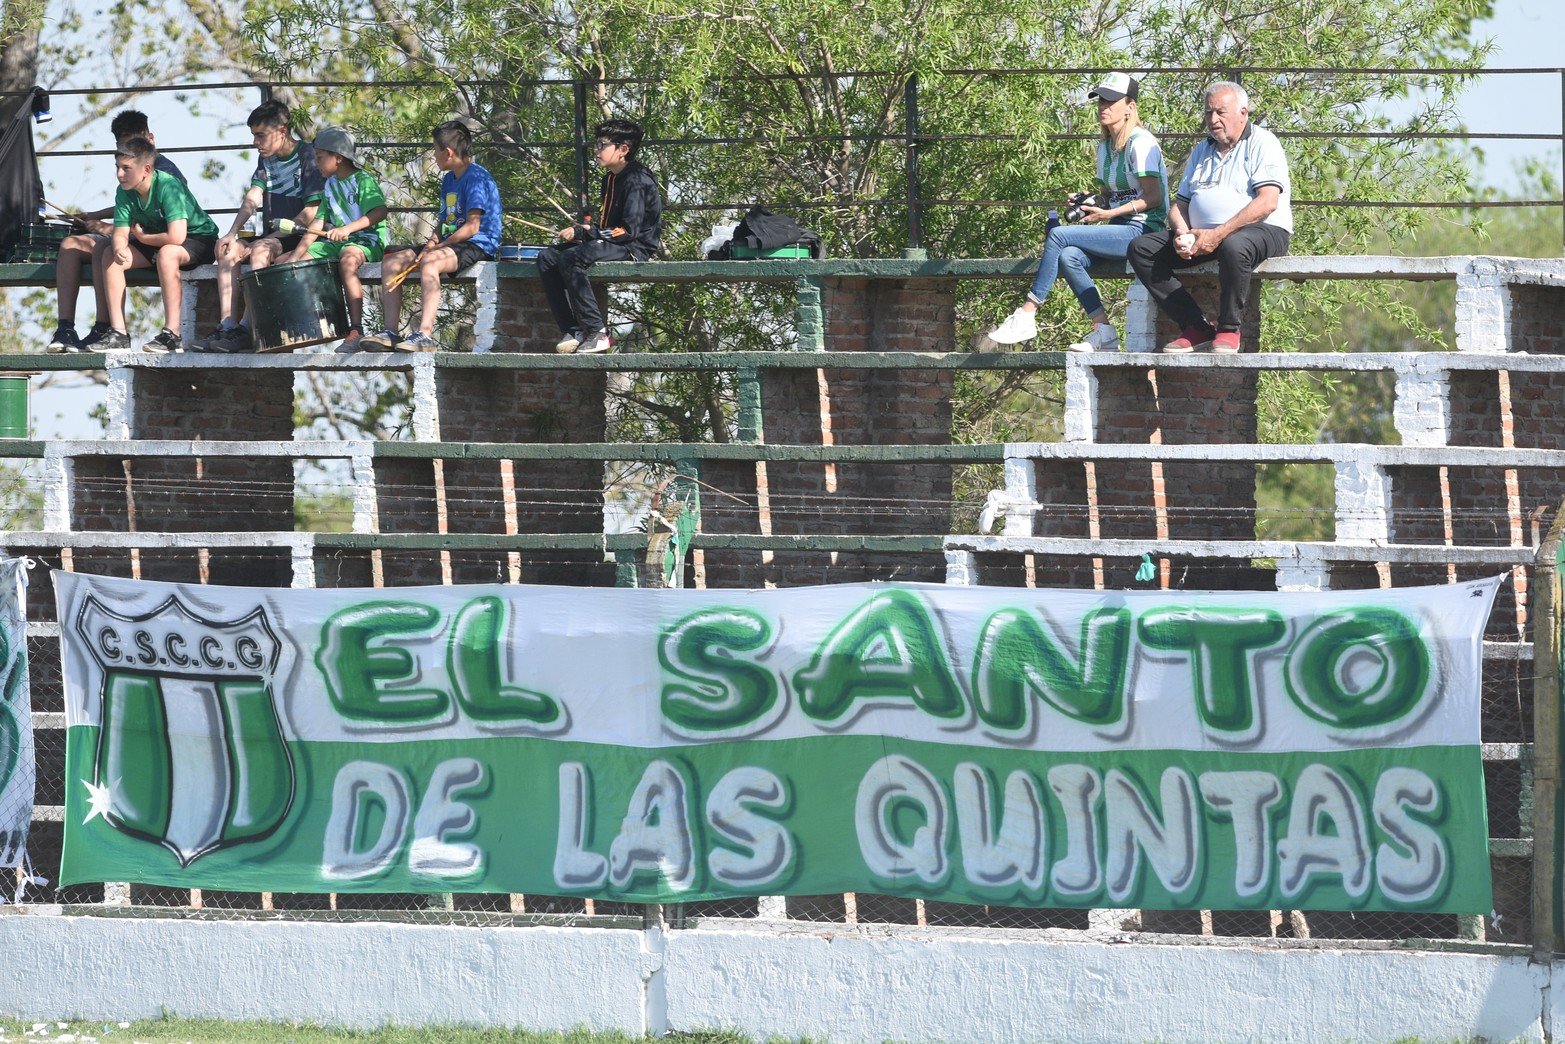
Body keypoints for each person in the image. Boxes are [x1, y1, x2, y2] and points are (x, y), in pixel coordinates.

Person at [989, 73, 1168, 353]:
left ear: (1130, 107)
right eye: (1100, 101)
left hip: (1144, 232)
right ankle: (1104, 331)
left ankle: (1027, 312)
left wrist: (1106, 215)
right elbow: (1112, 197)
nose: (1103, 107)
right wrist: (1090, 201)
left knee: (1059, 235)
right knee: (1068, 256)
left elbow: (1154, 198)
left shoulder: (1141, 142)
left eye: (1111, 100)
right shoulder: (1104, 148)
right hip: (1118, 229)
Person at [1127, 80, 1292, 354]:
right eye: (1208, 113)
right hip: (1203, 236)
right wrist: (1182, 232)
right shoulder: (1202, 150)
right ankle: (1196, 327)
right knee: (1141, 249)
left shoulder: (1263, 143)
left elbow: (1267, 203)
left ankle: (1229, 329)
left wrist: (1218, 234)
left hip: (1263, 230)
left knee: (1234, 245)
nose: (1213, 120)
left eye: (1220, 112)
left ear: (1243, 113)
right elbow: (1179, 205)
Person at [48, 110, 188, 352]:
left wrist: (109, 229)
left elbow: (158, 221)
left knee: (105, 247)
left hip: (154, 242)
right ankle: (66, 329)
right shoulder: (126, 174)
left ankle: (106, 327)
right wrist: (95, 217)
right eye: (123, 145)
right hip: (131, 236)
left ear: (150, 140)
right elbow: (127, 204)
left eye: (135, 143)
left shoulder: (166, 174)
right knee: (70, 245)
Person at [193, 100, 323, 353]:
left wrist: (261, 241)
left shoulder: (308, 156)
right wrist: (232, 234)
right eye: (254, 136)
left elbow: (310, 214)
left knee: (260, 250)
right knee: (228, 249)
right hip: (274, 234)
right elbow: (253, 197)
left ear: (282, 131)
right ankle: (228, 325)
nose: (256, 142)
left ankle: (247, 328)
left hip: (298, 235)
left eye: (260, 136)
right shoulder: (266, 159)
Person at [365, 120, 501, 352]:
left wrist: (437, 249)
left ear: (447, 152)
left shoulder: (476, 177)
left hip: (477, 243)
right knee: (391, 261)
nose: (434, 156)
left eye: (435, 151)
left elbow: (472, 227)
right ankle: (390, 332)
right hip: (450, 244)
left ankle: (425, 335)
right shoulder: (449, 179)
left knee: (430, 262)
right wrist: (430, 244)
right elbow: (445, 221)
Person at [536, 118, 662, 354]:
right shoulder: (610, 178)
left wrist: (589, 233)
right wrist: (584, 232)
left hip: (634, 247)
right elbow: (607, 227)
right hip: (614, 242)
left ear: (623, 149)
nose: (596, 151)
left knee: (572, 258)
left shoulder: (637, 180)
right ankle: (573, 330)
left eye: (602, 145)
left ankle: (597, 332)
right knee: (547, 257)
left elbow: (628, 231)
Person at [95, 136, 220, 353]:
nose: (119, 174)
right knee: (109, 256)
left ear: (146, 169)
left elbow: (177, 237)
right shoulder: (123, 191)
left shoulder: (168, 185)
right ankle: (119, 333)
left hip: (198, 239)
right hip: (156, 240)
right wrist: (119, 247)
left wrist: (142, 240)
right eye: (117, 168)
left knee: (168, 254)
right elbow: (120, 232)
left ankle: (172, 335)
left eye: (126, 168)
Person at [278, 127, 389, 352]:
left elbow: (380, 211)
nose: (316, 163)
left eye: (320, 158)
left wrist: (348, 228)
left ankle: (356, 329)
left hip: (367, 241)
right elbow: (317, 224)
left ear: (338, 158)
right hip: (337, 243)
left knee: (347, 260)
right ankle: (300, 326)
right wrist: (296, 258)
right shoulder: (329, 185)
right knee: (283, 263)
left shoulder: (362, 179)